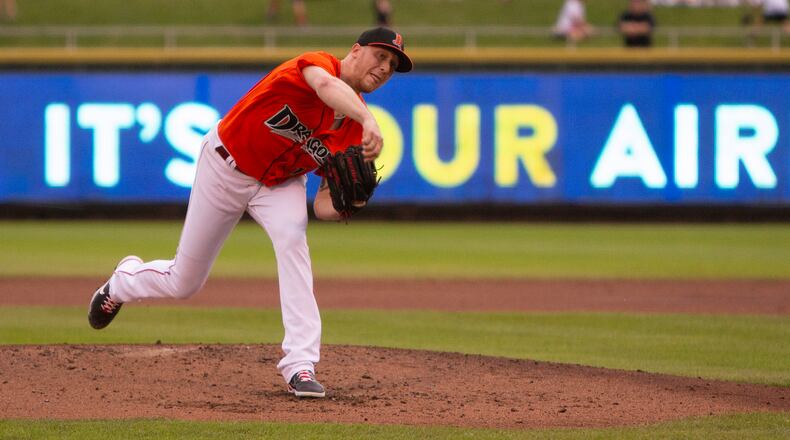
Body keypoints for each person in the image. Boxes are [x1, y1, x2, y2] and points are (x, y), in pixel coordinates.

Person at [87, 27, 413, 399]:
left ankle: (300, 365)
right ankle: (124, 281)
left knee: (293, 241)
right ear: (356, 50)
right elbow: (325, 87)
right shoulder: (316, 65)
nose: (386, 67)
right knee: (184, 282)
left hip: (281, 184)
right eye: (381, 56)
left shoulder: (353, 131)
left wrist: (349, 203)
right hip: (226, 166)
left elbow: (323, 207)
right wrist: (370, 120)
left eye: (392, 64)